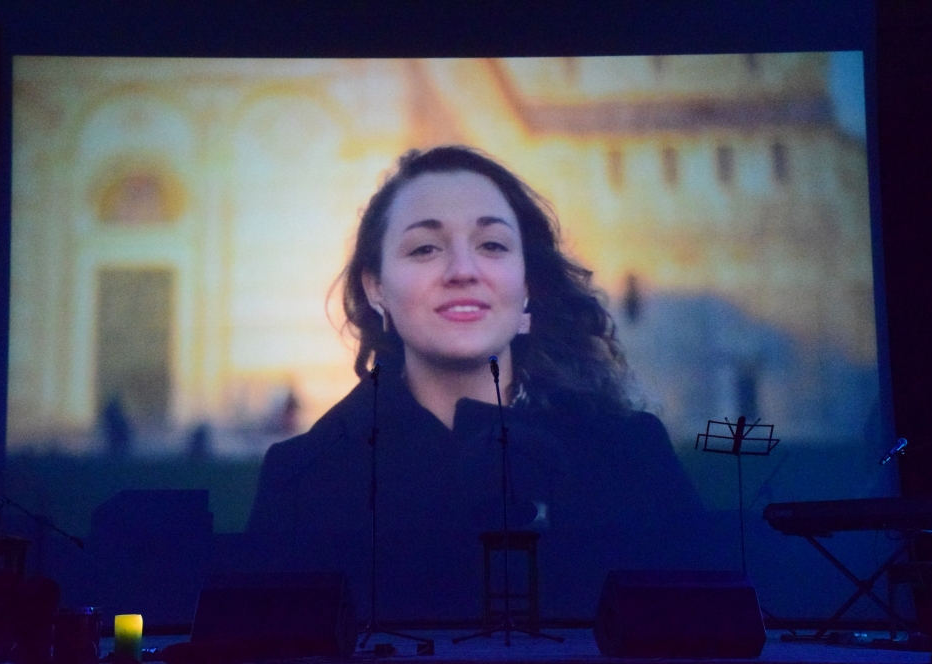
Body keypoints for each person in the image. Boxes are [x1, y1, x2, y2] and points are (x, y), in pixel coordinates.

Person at [248, 146, 704, 621]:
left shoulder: (631, 456)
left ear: (527, 285)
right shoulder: (304, 481)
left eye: (492, 245)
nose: (463, 271)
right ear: (375, 287)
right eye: (425, 248)